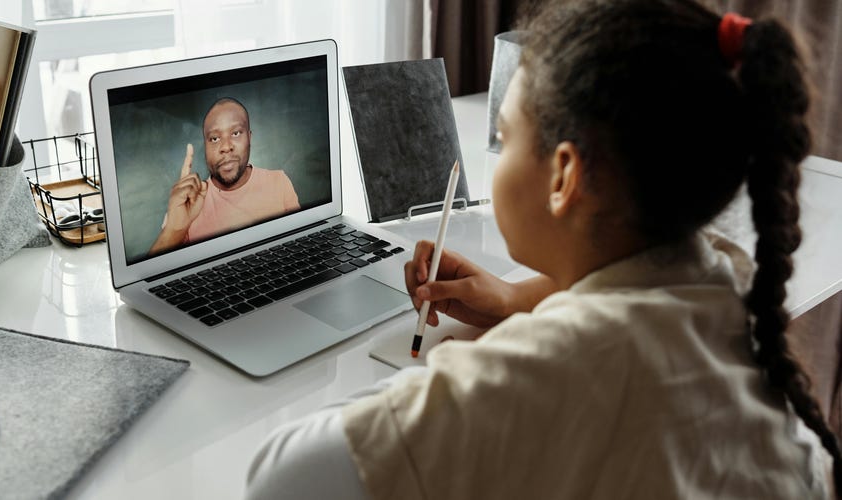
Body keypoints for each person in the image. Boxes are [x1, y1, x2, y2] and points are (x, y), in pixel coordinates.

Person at [245, 0, 840, 498]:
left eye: (504, 135)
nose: (496, 153)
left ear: (563, 177)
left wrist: (452, 378)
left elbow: (279, 480)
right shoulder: (726, 295)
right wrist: (514, 300)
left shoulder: (534, 380)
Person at [149, 97, 300, 255]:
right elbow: (151, 275)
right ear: (205, 146)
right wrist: (174, 229)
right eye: (214, 138)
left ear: (250, 138)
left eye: (235, 133)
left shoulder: (279, 182)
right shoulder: (188, 202)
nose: (226, 147)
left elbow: (299, 246)